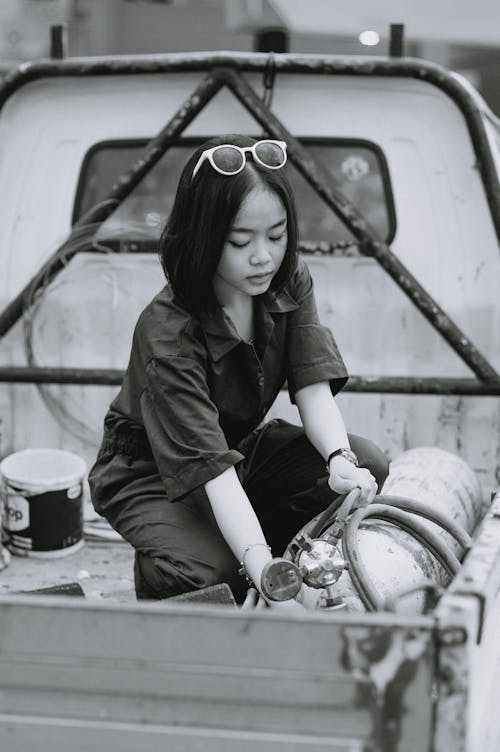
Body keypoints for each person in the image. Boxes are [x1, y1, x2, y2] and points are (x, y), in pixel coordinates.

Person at [88, 134, 389, 611]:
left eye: (276, 234)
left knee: (367, 462)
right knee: (219, 573)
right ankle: (165, 568)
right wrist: (262, 568)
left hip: (237, 449)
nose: (263, 257)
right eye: (240, 241)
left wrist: (340, 461)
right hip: (148, 471)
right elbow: (211, 470)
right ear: (203, 237)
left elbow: (311, 385)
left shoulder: (286, 278)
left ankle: (240, 543)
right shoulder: (168, 332)